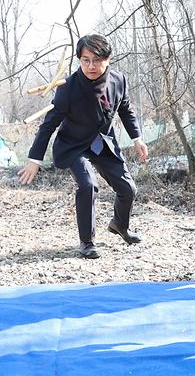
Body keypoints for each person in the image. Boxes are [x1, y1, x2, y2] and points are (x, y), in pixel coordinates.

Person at [19, 34, 148, 259]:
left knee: (128, 189)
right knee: (88, 185)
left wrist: (137, 138)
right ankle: (87, 242)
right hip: (74, 146)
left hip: (103, 143)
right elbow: (49, 124)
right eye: (85, 60)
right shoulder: (68, 87)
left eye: (96, 60)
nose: (91, 66)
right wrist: (34, 159)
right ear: (80, 60)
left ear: (107, 59)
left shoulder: (119, 80)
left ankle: (120, 225)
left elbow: (125, 110)